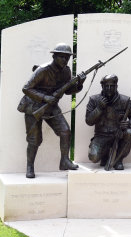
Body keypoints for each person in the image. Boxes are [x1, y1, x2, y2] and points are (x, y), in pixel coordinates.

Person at [18, 43, 86, 178]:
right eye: (62, 57)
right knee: (34, 140)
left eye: (67, 58)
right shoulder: (43, 70)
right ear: (54, 56)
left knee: (65, 131)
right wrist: (45, 97)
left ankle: (64, 161)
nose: (65, 60)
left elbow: (67, 91)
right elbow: (26, 88)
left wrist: (79, 84)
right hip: (33, 106)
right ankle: (30, 167)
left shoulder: (66, 71)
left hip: (51, 106)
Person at [85, 74, 131, 170]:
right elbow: (89, 121)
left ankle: (118, 160)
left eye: (112, 86)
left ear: (116, 86)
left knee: (130, 133)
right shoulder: (94, 100)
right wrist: (99, 108)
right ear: (102, 86)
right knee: (93, 157)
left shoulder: (125, 100)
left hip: (118, 135)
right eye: (106, 86)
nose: (109, 88)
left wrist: (129, 124)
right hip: (101, 136)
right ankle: (104, 155)